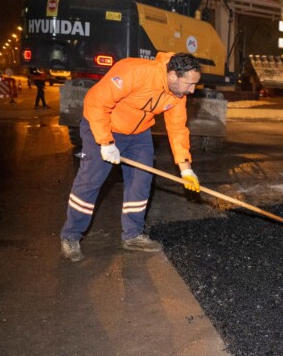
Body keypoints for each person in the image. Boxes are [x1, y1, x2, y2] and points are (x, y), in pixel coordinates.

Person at [59, 52, 202, 262]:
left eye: (194, 85)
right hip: (102, 124)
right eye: (189, 84)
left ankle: (133, 235)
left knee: (141, 181)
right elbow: (96, 101)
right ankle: (70, 236)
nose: (192, 90)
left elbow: (178, 129)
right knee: (91, 180)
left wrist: (185, 168)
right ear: (173, 74)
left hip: (138, 133)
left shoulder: (177, 94)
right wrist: (106, 143)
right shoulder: (135, 71)